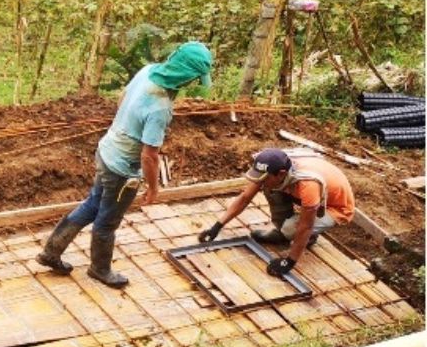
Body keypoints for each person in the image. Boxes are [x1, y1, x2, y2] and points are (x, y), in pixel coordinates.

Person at [36, 41, 214, 288]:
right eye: (193, 78)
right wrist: (153, 188)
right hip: (121, 168)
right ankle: (100, 269)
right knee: (107, 220)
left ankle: (51, 252)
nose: (190, 84)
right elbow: (149, 156)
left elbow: (123, 99)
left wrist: (126, 126)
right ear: (185, 75)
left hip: (107, 149)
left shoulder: (149, 70)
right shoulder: (160, 108)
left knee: (93, 204)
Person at [197, 146, 355, 276]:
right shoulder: (275, 168)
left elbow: (306, 226)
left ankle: (303, 237)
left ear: (281, 174)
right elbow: (245, 197)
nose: (261, 181)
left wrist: (289, 261)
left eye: (265, 178)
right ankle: (283, 234)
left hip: (334, 207)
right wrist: (217, 226)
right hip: (307, 196)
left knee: (292, 229)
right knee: (270, 190)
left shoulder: (308, 185)